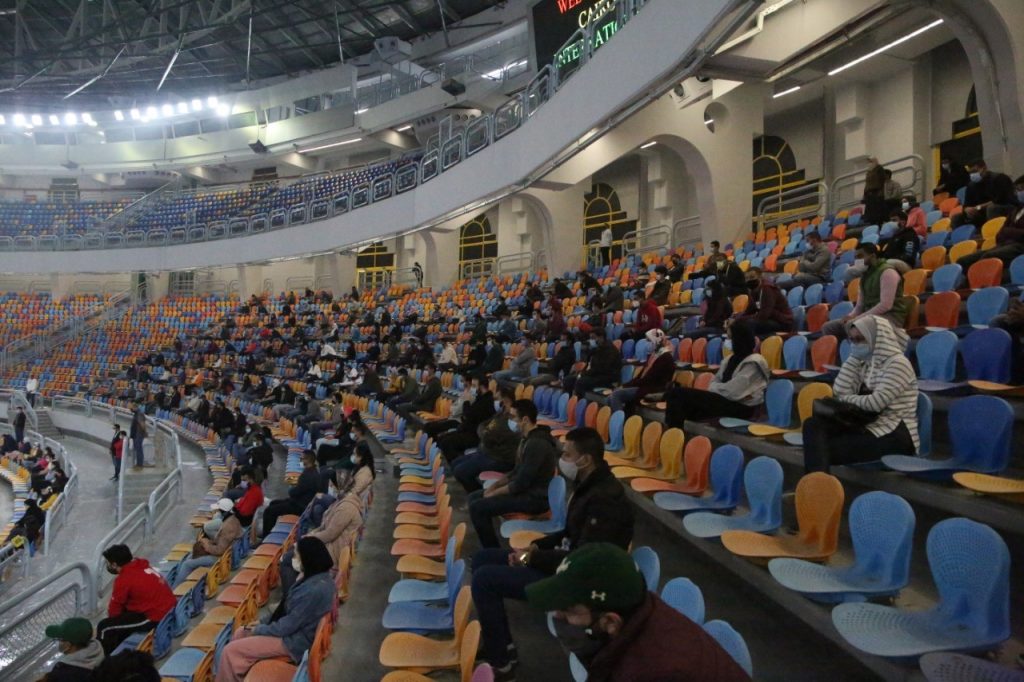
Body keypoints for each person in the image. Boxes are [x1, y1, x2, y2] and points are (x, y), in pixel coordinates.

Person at [471, 427, 634, 677]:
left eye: (567, 455)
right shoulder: (588, 485)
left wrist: (530, 558)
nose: (562, 459)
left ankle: (502, 662)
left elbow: (582, 560)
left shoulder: (605, 501)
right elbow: (567, 533)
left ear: (585, 460)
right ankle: (502, 644)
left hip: (579, 580)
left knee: (485, 580)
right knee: (482, 559)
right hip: (563, 562)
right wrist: (535, 547)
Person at [529, 545, 751, 682]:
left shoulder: (650, 671)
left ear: (611, 622)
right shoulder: (642, 607)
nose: (557, 616)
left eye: (568, 611)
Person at [803, 316, 918, 472]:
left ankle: (816, 485)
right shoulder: (864, 362)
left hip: (894, 433)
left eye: (860, 339)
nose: (856, 344)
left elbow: (876, 403)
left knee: (820, 450)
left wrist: (847, 399)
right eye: (852, 340)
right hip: (867, 425)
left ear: (876, 338)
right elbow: (839, 390)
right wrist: (854, 357)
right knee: (813, 425)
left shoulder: (898, 364)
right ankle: (818, 484)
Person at [216, 537, 335, 682]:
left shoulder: (313, 590)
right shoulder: (316, 577)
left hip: (293, 642)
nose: (294, 559)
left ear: (308, 559)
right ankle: (234, 674)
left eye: (297, 556)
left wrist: (260, 629)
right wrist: (262, 622)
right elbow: (286, 611)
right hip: (292, 633)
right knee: (241, 632)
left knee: (229, 652)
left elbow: (286, 626)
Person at [468, 399, 556, 548]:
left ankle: (492, 550)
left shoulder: (537, 444)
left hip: (535, 498)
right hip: (525, 491)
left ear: (525, 420)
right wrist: (494, 486)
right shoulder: (527, 439)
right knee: (473, 497)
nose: (510, 421)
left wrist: (494, 493)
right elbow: (516, 471)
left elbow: (520, 483)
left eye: (513, 417)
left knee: (478, 508)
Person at [663, 321, 769, 428]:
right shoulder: (729, 360)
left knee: (678, 394)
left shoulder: (754, 363)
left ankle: (673, 432)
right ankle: (674, 432)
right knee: (676, 399)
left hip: (743, 407)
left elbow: (733, 392)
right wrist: (719, 388)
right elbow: (714, 383)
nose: (727, 341)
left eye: (730, 338)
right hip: (724, 400)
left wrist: (717, 388)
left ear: (738, 339)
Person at [279, 485, 365, 597]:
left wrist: (309, 538)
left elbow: (330, 534)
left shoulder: (346, 508)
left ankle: (290, 598)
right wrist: (310, 535)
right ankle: (295, 592)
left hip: (331, 552)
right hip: (331, 545)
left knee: (286, 560)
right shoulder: (343, 502)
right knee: (294, 549)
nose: (332, 487)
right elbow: (324, 527)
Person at [96, 544, 176, 654]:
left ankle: (104, 658)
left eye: (108, 563)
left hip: (155, 616)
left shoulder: (124, 579)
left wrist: (114, 620)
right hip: (168, 608)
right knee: (121, 618)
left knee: (105, 627)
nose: (108, 566)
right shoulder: (142, 566)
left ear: (114, 564)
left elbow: (114, 611)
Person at [821, 243, 908, 344]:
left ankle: (861, 353)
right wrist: (851, 316)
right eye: (856, 257)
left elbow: (886, 305)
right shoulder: (865, 276)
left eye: (860, 256)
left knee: (854, 325)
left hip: (890, 317)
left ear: (873, 256)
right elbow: (860, 305)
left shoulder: (888, 272)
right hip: (870, 317)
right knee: (829, 327)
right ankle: (842, 353)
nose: (857, 260)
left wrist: (859, 318)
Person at [453, 386, 520, 492]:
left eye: (497, 399)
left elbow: (489, 437)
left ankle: (478, 493)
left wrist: (484, 433)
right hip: (486, 451)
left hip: (499, 458)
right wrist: (484, 432)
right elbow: (483, 425)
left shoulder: (513, 420)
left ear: (506, 400)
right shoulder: (501, 413)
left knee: (460, 471)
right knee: (455, 463)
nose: (494, 401)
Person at [957, 175, 1024, 270]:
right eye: (1017, 189)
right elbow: (1001, 233)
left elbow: (1007, 231)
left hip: (1020, 247)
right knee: (964, 261)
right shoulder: (1016, 210)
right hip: (1006, 244)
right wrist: (1008, 233)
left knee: (988, 257)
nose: (1018, 193)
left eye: (1021, 189)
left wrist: (1008, 231)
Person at [174, 499, 243, 586]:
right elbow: (221, 541)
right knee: (190, 555)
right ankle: (179, 580)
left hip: (219, 558)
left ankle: (176, 588)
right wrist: (208, 541)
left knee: (187, 564)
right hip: (223, 552)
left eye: (219, 510)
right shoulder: (231, 520)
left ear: (224, 512)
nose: (218, 512)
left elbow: (219, 550)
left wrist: (206, 545)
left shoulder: (228, 527)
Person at [608, 329, 675, 413]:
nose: (647, 344)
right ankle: (620, 417)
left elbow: (648, 379)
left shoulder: (665, 357)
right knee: (611, 396)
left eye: (649, 341)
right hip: (645, 386)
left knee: (616, 395)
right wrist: (626, 385)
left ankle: (620, 420)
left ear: (657, 341)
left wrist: (626, 386)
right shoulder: (655, 355)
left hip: (653, 388)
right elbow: (641, 376)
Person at [434, 374, 496, 462]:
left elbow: (469, 415)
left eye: (474, 386)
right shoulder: (480, 398)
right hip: (468, 430)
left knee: (446, 443)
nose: (472, 388)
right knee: (441, 439)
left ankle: (455, 463)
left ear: (481, 387)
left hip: (475, 435)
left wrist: (466, 401)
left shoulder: (487, 401)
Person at [262, 450, 321, 537]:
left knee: (269, 511)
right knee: (273, 503)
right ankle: (270, 530)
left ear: (308, 460)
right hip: (299, 501)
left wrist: (292, 489)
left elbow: (294, 492)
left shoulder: (308, 475)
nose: (300, 461)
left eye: (301, 459)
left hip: (299, 506)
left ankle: (266, 536)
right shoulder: (312, 471)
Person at [40, 617, 105, 682]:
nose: (57, 642)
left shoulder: (63, 673)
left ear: (68, 644)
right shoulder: (99, 651)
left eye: (59, 639)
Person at [735, 267, 794, 335]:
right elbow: (750, 310)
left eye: (752, 277)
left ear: (760, 276)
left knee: (750, 324)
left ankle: (752, 342)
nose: (749, 280)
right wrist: (737, 319)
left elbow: (764, 315)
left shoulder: (767, 288)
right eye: (747, 278)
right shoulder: (753, 291)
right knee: (738, 322)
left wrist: (742, 319)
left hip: (782, 322)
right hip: (769, 320)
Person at [567, 328, 621, 397]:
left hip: (608, 378)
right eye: (590, 338)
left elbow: (601, 368)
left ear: (601, 337)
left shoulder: (610, 350)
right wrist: (581, 373)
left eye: (593, 338)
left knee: (581, 382)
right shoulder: (596, 349)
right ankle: (570, 400)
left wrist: (584, 374)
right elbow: (589, 365)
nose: (591, 341)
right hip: (596, 375)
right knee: (568, 380)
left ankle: (580, 401)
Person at [952, 159, 997, 228]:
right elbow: (966, 205)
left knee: (991, 208)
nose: (972, 175)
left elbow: (999, 200)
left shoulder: (996, 179)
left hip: (995, 210)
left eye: (974, 171)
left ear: (984, 168)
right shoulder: (971, 185)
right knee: (956, 218)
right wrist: (967, 209)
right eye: (970, 172)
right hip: (978, 213)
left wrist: (979, 207)